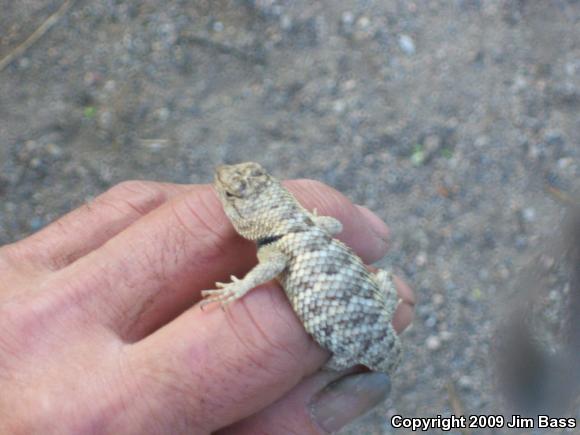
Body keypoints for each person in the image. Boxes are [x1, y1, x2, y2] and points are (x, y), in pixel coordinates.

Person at [0, 179, 415, 434]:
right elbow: (335, 225)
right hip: (370, 310)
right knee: (379, 286)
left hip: (346, 341)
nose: (223, 185)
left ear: (251, 212)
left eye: (232, 194)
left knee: (318, 361)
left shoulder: (279, 247)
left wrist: (239, 289)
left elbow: (268, 269)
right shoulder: (308, 225)